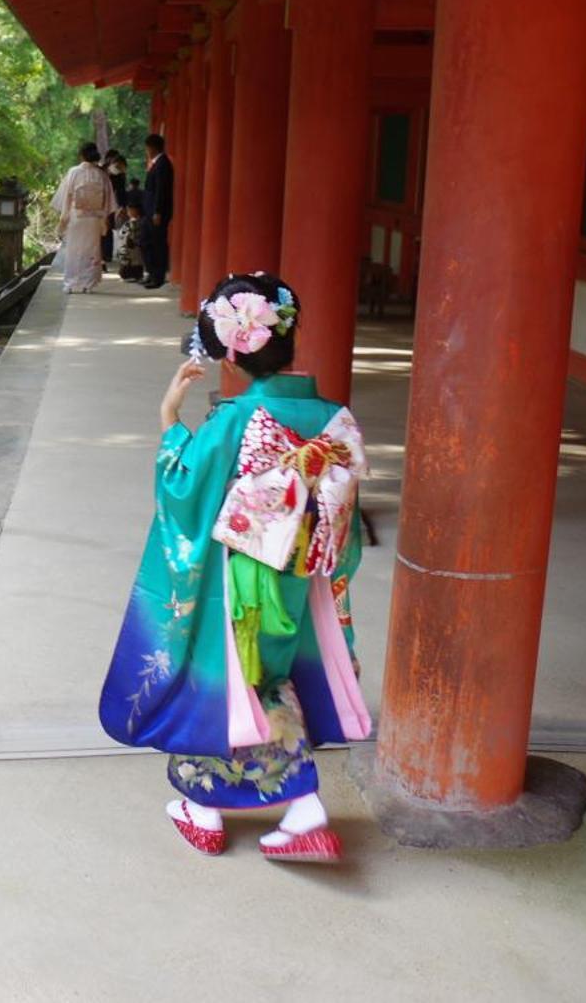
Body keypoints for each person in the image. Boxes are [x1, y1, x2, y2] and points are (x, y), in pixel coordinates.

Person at [97, 273, 370, 862]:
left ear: (233, 352)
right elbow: (343, 515)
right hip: (299, 575)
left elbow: (183, 489)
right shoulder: (333, 419)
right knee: (268, 677)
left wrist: (171, 418)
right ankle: (302, 808)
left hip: (240, 576)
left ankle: (205, 808)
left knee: (220, 676)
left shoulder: (233, 422)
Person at [52, 142, 117, 293]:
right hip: (94, 218)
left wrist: (64, 217)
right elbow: (108, 201)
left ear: (81, 155)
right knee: (92, 250)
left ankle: (70, 283)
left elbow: (67, 197)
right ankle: (88, 283)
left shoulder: (74, 172)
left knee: (73, 250)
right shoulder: (101, 174)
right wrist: (104, 219)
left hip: (77, 217)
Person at [139, 133, 174, 289]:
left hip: (156, 213)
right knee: (145, 241)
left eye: (147, 148)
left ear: (152, 148)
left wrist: (158, 211)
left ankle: (157, 276)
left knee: (157, 244)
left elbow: (162, 190)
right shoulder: (156, 163)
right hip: (149, 211)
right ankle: (151, 272)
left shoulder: (163, 164)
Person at [100, 151, 128, 266]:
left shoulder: (120, 175)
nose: (118, 169)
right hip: (96, 203)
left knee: (108, 227)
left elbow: (121, 191)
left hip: (110, 204)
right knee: (98, 230)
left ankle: (106, 255)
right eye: (117, 166)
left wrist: (122, 206)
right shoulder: (100, 171)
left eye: (120, 168)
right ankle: (98, 254)